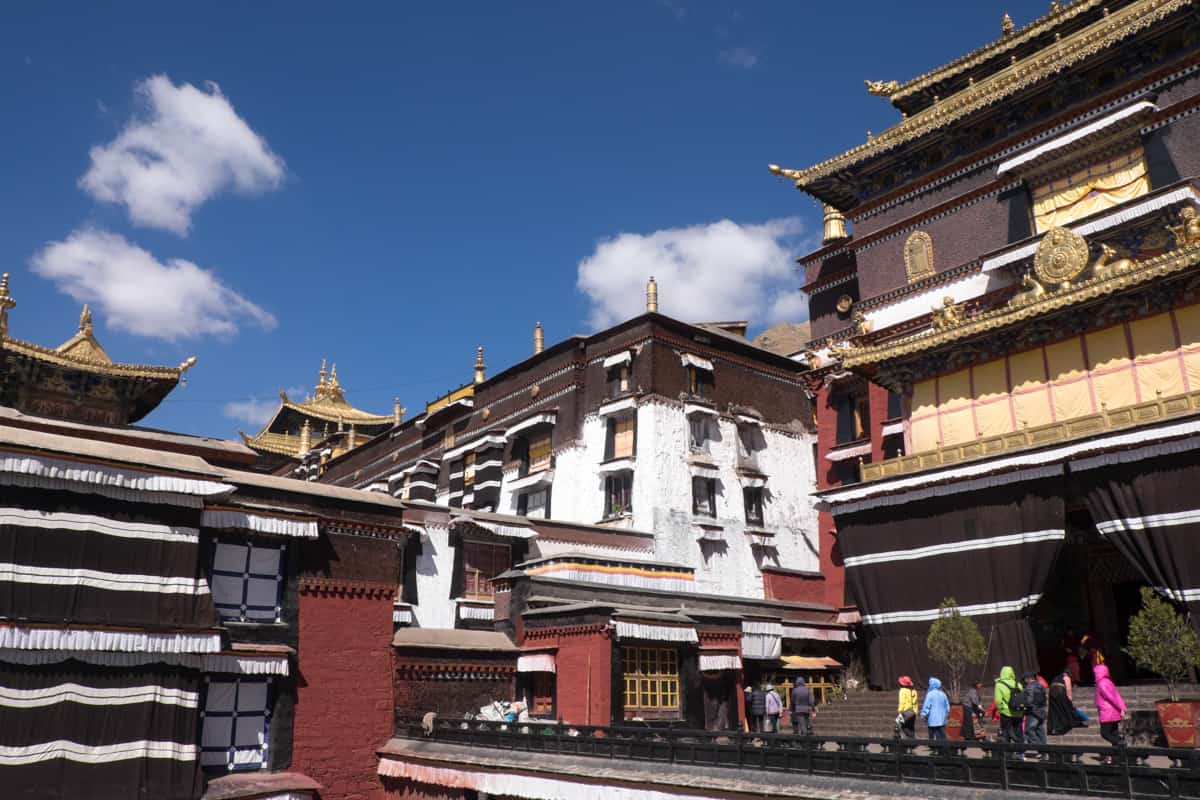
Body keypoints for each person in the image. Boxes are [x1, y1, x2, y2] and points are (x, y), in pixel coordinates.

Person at [1093, 664, 1127, 752]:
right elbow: (1117, 695)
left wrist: (1121, 708)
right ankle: (1117, 754)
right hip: (1114, 711)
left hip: (1107, 712)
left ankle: (1120, 743)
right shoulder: (1108, 681)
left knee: (1105, 733)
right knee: (1114, 732)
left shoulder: (1102, 683)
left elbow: (1111, 697)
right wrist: (1122, 707)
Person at [1048, 671, 1087, 736]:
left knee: (1055, 711)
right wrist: (1069, 699)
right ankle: (1071, 723)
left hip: (1052, 692)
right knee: (1067, 709)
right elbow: (1068, 689)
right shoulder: (1066, 677)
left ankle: (1052, 728)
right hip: (1059, 691)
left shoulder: (1056, 678)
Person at [994, 666, 1022, 746]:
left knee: (1006, 732)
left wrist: (1000, 709)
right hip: (1018, 712)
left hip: (1006, 712)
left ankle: (1007, 753)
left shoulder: (999, 684)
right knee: (1018, 732)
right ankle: (1020, 752)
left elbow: (998, 700)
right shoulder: (1018, 684)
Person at [1021, 672, 1047, 748]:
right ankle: (1044, 751)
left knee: (1029, 730)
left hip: (1033, 712)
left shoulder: (1030, 687)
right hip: (1041, 711)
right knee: (1040, 731)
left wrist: (1024, 705)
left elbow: (1029, 701)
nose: (1024, 681)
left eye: (1025, 679)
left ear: (1027, 679)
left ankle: (1039, 747)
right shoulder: (1040, 685)